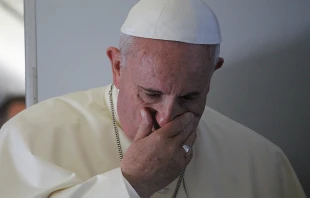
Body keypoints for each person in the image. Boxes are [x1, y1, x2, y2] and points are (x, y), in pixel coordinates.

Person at [0, 0, 306, 197]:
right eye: (151, 93)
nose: (166, 117)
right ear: (117, 67)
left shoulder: (262, 163)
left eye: (189, 97)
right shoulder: (29, 137)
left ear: (212, 74)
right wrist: (130, 183)